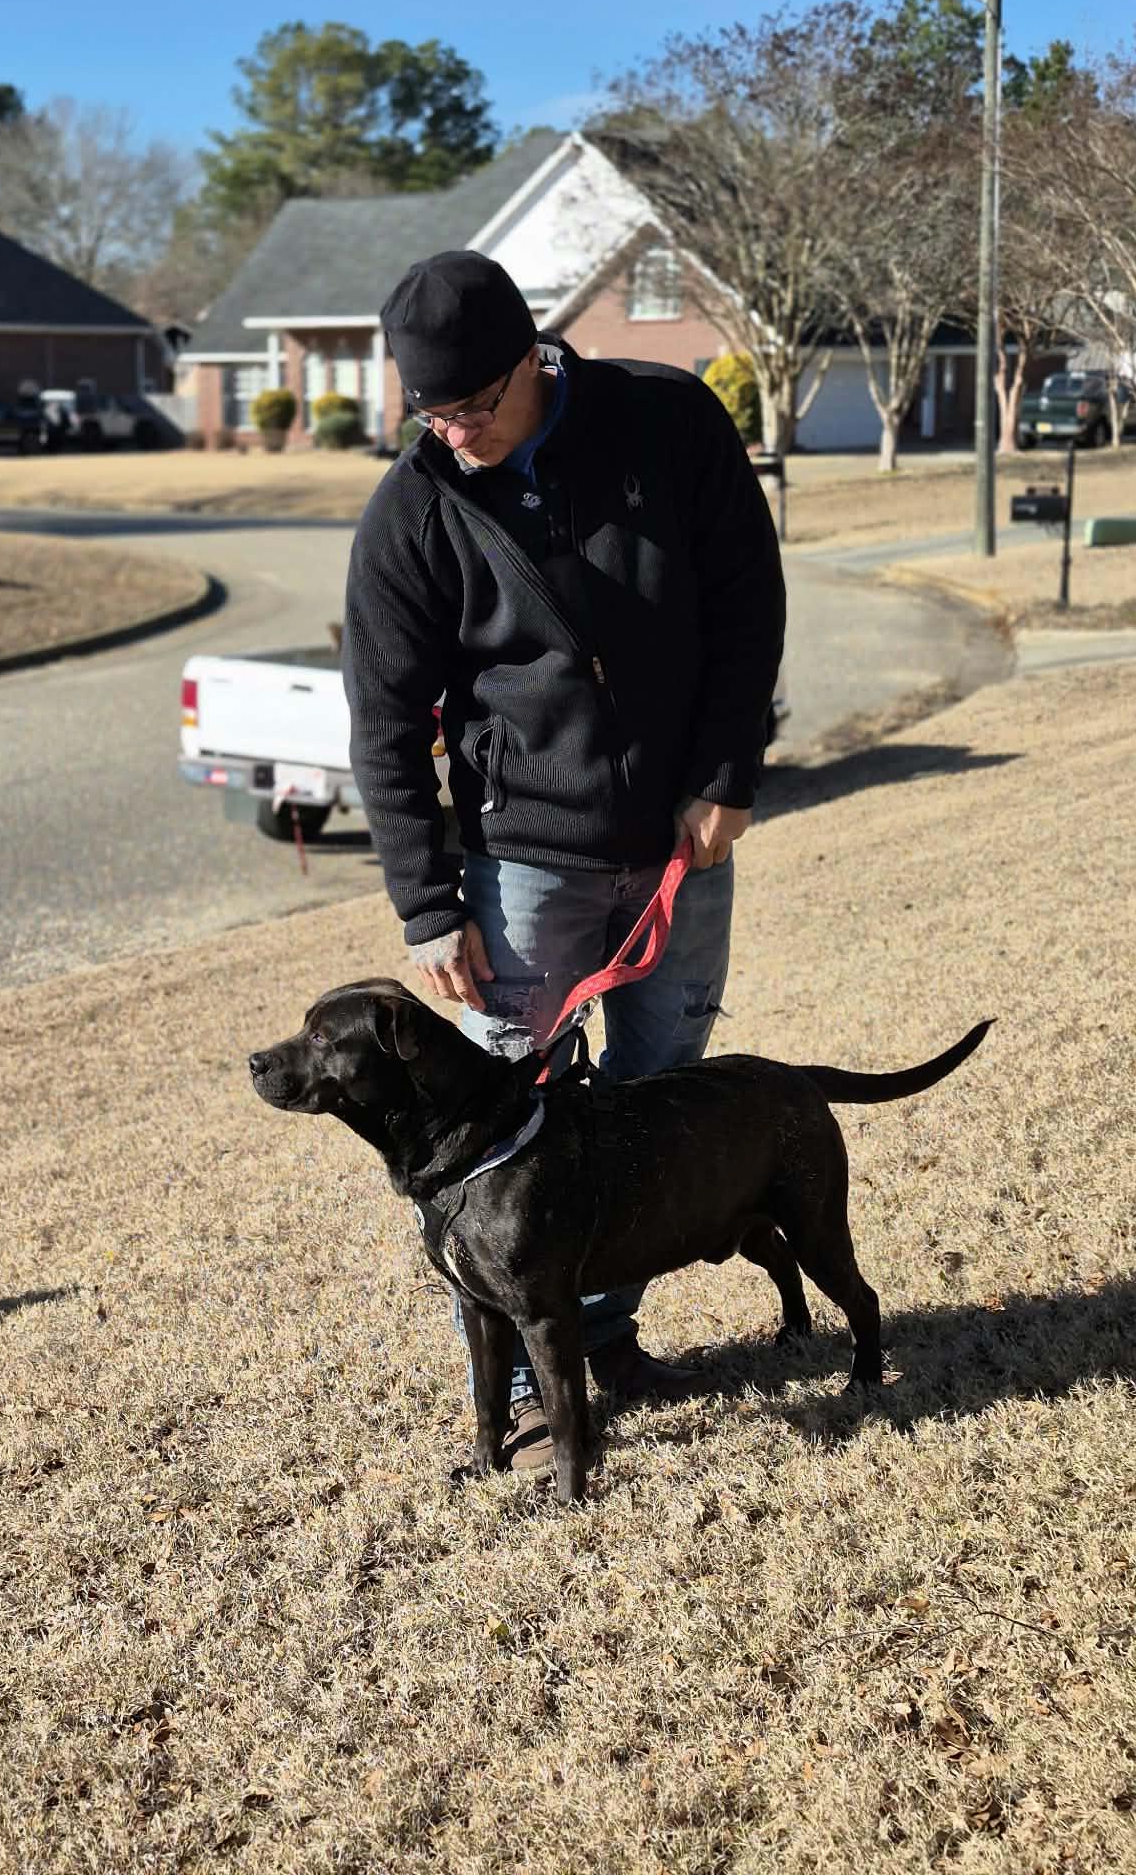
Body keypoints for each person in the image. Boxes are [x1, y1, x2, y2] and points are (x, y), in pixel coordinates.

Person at [341, 249, 785, 1473]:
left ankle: (607, 1336)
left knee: (651, 1104)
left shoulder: (666, 421)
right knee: (497, 1143)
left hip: (681, 842)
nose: (455, 432)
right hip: (520, 859)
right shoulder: (415, 508)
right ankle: (532, 1392)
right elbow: (383, 720)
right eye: (429, 413)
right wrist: (430, 907)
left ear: (530, 359)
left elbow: (748, 601)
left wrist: (727, 774)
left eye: (474, 406)